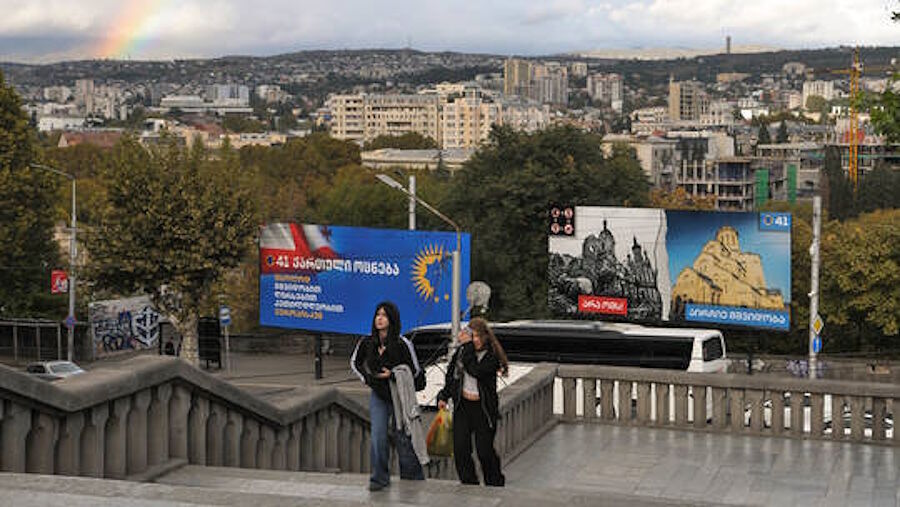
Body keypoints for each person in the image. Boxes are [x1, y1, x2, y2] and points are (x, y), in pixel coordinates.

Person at [350, 301, 425, 491]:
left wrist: (393, 375)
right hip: (379, 396)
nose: (379, 319)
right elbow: (355, 363)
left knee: (403, 437)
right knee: (378, 436)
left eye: (384, 315)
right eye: (377, 315)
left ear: (392, 319)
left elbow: (415, 371)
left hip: (399, 396)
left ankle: (412, 477)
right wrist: (368, 379)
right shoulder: (367, 342)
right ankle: (379, 478)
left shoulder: (402, 343)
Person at [437, 317, 508, 486]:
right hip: (463, 406)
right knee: (461, 449)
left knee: (484, 451)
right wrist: (443, 396)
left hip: (483, 410)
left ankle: (495, 481)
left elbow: (475, 370)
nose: (473, 340)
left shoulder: (491, 357)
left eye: (476, 336)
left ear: (484, 337)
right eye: (471, 336)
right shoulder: (461, 353)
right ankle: (469, 482)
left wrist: (467, 346)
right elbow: (451, 377)